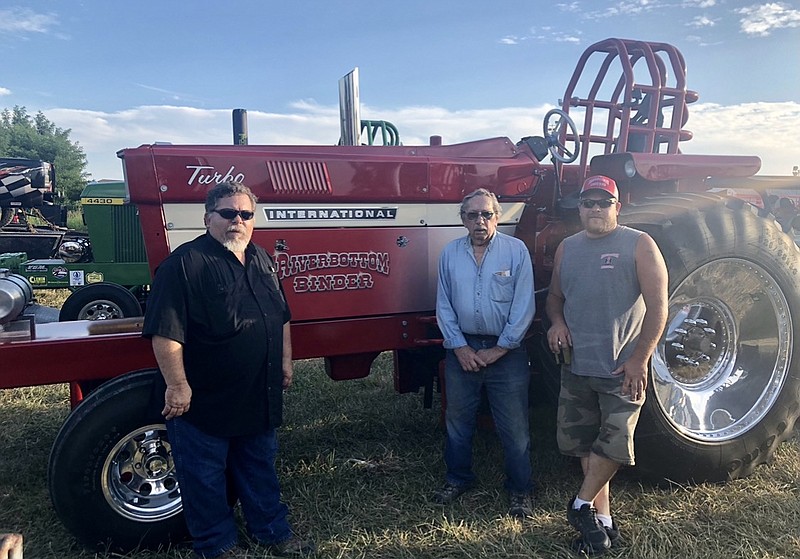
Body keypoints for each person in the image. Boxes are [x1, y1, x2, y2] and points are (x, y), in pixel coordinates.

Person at [143, 181, 314, 559]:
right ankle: (217, 546)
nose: (238, 220)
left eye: (246, 214)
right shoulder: (184, 265)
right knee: (204, 478)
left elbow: (281, 316)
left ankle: (272, 532)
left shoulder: (262, 259)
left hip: (257, 392)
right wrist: (177, 385)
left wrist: (285, 361)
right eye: (228, 213)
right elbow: (165, 330)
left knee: (259, 468)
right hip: (205, 399)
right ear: (208, 218)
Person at [546, 175, 668, 555]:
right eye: (588, 202)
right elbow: (554, 297)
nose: (595, 209)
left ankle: (580, 506)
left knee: (614, 446)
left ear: (618, 206)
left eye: (604, 202)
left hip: (621, 369)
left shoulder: (639, 244)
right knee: (586, 446)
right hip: (577, 365)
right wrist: (558, 322)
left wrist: (639, 359)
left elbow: (659, 307)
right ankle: (603, 523)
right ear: (579, 207)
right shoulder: (568, 247)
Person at [434, 188, 536, 517]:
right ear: (462, 219)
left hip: (506, 354)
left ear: (498, 215)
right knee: (458, 421)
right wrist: (459, 347)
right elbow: (443, 306)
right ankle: (458, 478)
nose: (480, 221)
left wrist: (500, 348)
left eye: (487, 214)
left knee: (514, 426)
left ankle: (520, 489)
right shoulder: (449, 254)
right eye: (472, 215)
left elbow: (524, 306)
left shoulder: (516, 251)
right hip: (461, 349)